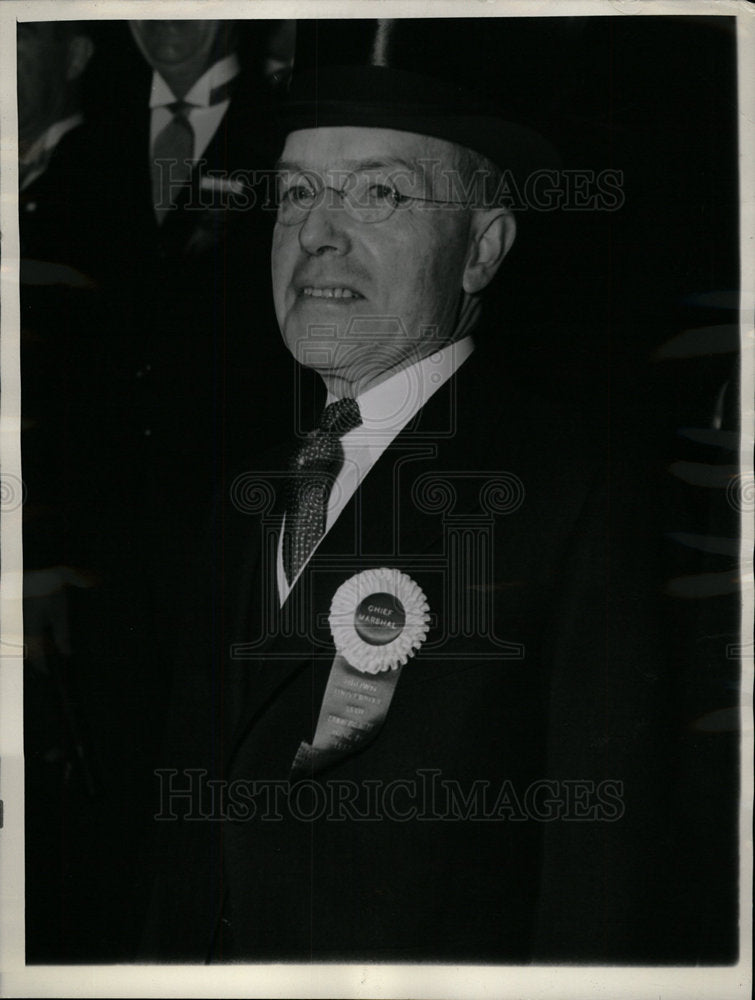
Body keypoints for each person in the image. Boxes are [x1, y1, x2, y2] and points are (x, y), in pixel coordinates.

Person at [140, 19, 727, 964]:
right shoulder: (242, 495)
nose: (317, 234)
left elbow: (609, 875)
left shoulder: (578, 493)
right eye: (294, 196)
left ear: (481, 250)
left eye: (377, 192)